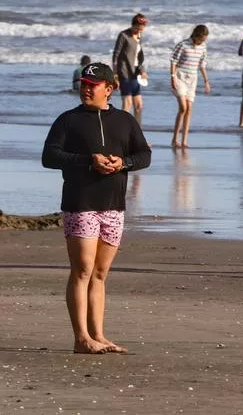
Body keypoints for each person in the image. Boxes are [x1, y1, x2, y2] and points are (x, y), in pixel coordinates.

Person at [41, 63, 151, 354]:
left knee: (100, 273)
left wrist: (123, 163)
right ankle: (80, 338)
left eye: (93, 84)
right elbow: (49, 156)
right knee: (82, 270)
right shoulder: (68, 120)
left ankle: (98, 335)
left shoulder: (125, 121)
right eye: (83, 84)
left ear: (109, 89)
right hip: (81, 203)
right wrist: (89, 160)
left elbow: (144, 154)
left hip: (113, 204)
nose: (86, 89)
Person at [168, 24, 212, 148]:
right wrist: (172, 77)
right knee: (183, 107)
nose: (203, 41)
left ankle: (184, 141)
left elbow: (202, 65)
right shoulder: (183, 45)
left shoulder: (203, 47)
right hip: (180, 76)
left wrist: (206, 81)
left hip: (193, 79)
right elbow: (173, 60)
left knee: (189, 109)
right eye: (202, 39)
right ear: (196, 35)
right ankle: (174, 139)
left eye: (204, 40)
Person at [112, 13, 148, 123]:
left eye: (141, 29)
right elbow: (115, 56)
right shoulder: (123, 35)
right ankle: (122, 133)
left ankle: (138, 134)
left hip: (135, 74)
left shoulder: (138, 37)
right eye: (138, 28)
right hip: (124, 73)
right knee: (127, 104)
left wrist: (142, 71)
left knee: (139, 106)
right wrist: (115, 76)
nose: (139, 31)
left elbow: (138, 58)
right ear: (133, 25)